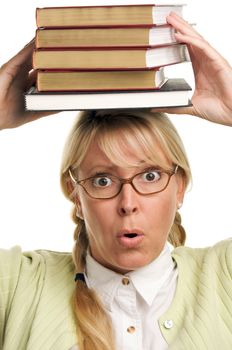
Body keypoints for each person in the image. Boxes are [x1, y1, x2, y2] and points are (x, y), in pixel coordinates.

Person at [0, 12, 232, 350]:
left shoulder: (223, 278)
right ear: (75, 194)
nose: (128, 204)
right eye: (103, 180)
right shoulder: (17, 286)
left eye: (150, 176)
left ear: (179, 186)